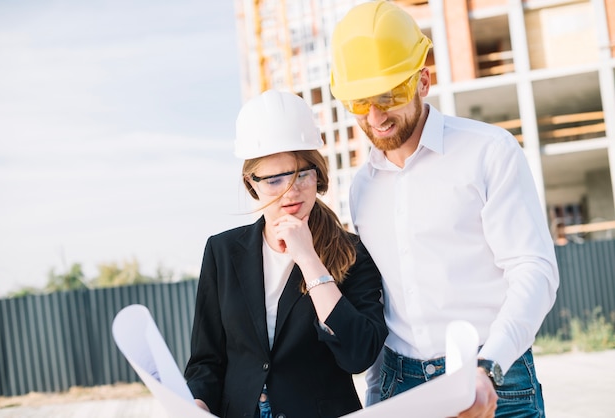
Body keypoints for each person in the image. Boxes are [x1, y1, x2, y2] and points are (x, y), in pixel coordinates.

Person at [329, 1, 560, 417]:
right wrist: (377, 393)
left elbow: (535, 270)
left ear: (423, 80)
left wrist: (488, 366)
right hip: (401, 385)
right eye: (361, 102)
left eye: (388, 95)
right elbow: (385, 300)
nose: (376, 116)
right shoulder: (362, 187)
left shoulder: (489, 152)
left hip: (493, 376)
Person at [184, 89, 388, 418]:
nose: (290, 192)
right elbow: (207, 360)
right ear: (252, 184)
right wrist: (197, 404)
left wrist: (309, 259)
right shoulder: (222, 252)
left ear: (318, 174)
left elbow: (358, 354)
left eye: (300, 175)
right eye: (274, 181)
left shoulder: (352, 253)